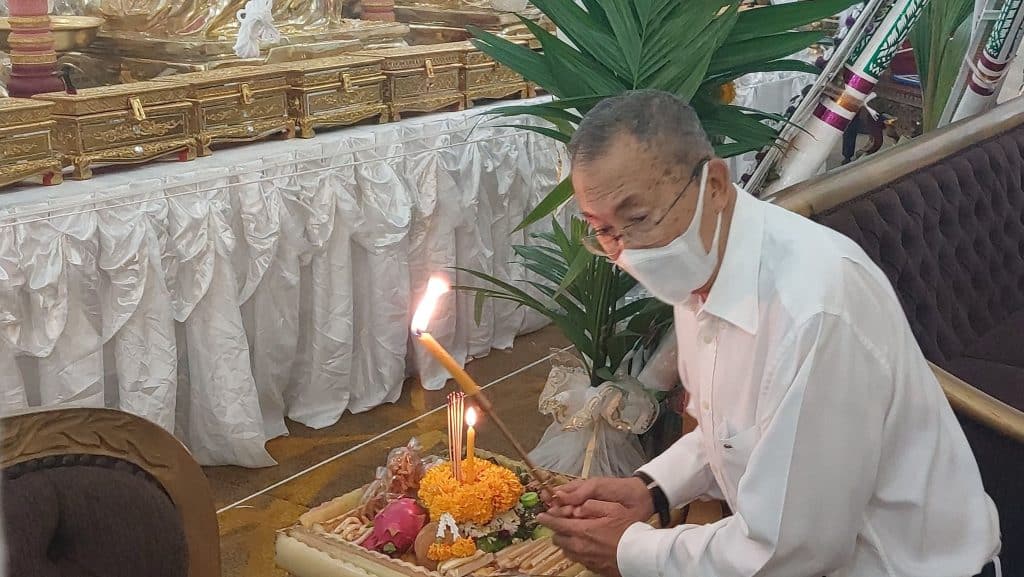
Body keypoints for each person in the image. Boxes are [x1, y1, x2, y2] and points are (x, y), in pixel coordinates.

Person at [537, 90, 1001, 577]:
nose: (624, 253)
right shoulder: (698, 265)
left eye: (637, 219)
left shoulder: (815, 307)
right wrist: (651, 489)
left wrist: (631, 552)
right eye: (602, 231)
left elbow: (794, 547)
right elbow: (732, 432)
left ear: (714, 184)